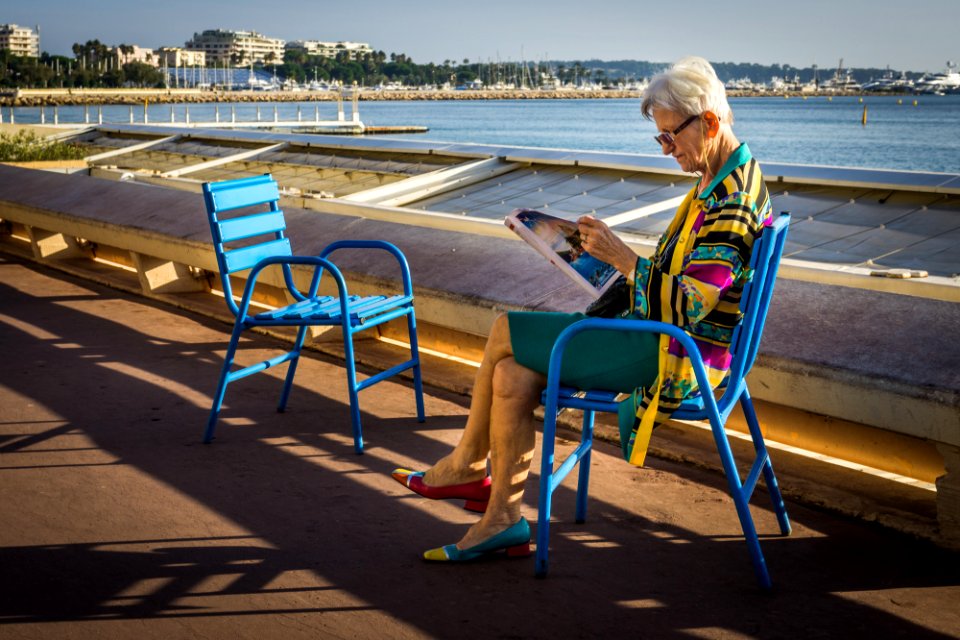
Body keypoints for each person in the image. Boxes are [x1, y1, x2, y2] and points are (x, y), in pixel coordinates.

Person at [391, 56, 773, 562]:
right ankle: (502, 517)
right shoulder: (724, 179)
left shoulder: (729, 203)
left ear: (708, 122)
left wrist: (621, 256)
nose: (667, 149)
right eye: (659, 139)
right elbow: (680, 282)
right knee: (509, 375)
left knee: (505, 330)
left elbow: (684, 307)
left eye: (670, 137)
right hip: (663, 336)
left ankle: (465, 464)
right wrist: (607, 262)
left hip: (675, 356)